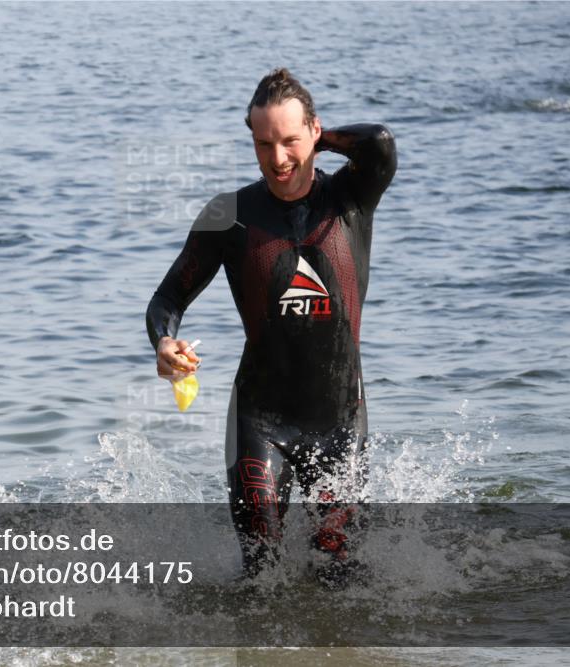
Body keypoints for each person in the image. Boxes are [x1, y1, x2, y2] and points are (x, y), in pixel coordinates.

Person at [146, 68, 396, 577]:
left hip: (340, 420)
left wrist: (316, 138)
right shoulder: (228, 215)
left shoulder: (350, 198)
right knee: (261, 575)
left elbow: (379, 143)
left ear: (316, 135)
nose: (278, 159)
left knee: (342, 574)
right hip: (261, 421)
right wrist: (164, 342)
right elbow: (167, 298)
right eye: (264, 144)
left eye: (290, 142)